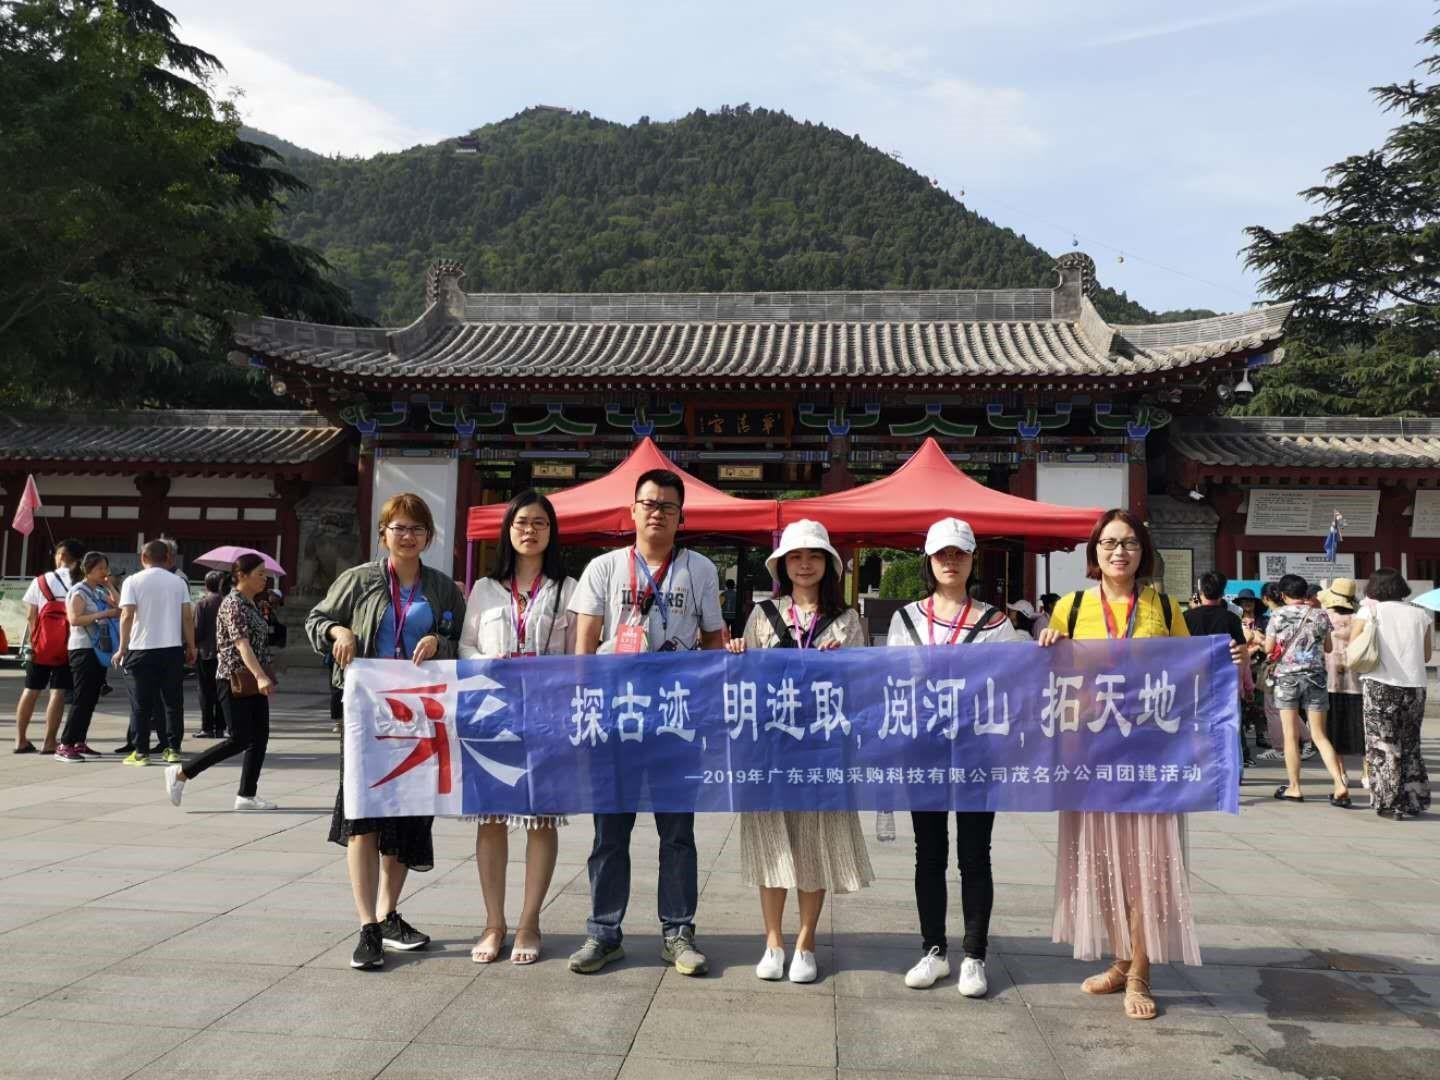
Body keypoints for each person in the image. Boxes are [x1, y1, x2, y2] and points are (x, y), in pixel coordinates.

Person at [1037, 509, 1202, 1021]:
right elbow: (1047, 677)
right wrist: (1046, 644)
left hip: (1148, 755)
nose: (1119, 552)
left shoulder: (1163, 606)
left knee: (1146, 867)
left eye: (1129, 543)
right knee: (1103, 863)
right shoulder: (1071, 607)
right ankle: (1119, 959)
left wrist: (1228, 662)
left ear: (1142, 551)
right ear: (1094, 552)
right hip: (1090, 754)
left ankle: (1139, 974)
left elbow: (1191, 668)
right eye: (1108, 543)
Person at [566, 468, 726, 976]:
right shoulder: (604, 568)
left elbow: (714, 640)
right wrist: (585, 714)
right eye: (649, 504)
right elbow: (584, 648)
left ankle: (678, 932)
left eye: (667, 506)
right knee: (609, 833)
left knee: (677, 832)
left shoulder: (699, 569)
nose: (657, 512)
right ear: (632, 511)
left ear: (681, 517)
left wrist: (707, 707)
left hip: (676, 721)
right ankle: (603, 933)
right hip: (616, 719)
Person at [306, 492, 467, 971]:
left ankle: (388, 912)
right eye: (399, 527)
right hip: (366, 715)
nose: (408, 536)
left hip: (420, 716)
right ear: (383, 534)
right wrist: (339, 633)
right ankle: (367, 927)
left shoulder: (442, 588)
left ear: (429, 537)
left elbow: (462, 640)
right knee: (364, 814)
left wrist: (439, 641)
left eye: (417, 528)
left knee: (409, 815)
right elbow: (318, 618)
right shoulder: (358, 580)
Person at [726, 519, 873, 984]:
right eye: (795, 556)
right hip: (771, 747)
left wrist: (839, 667)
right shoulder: (763, 615)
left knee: (815, 844)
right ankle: (773, 941)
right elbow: (744, 681)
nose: (804, 564)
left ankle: (806, 942)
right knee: (771, 842)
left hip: (824, 748)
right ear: (783, 565)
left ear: (828, 563)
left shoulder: (848, 620)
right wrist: (736, 653)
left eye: (813, 556)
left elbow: (862, 684)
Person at [886, 517, 1022, 999]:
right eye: (942, 553)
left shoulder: (996, 622)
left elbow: (1013, 681)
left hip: (975, 750)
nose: (950, 561)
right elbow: (892, 681)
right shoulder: (906, 619)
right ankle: (934, 950)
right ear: (928, 559)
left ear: (972, 559)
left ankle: (975, 955)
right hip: (923, 750)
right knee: (928, 853)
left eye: (959, 553)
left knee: (974, 854)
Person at [459, 490, 576, 966]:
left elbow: (579, 654)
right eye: (522, 522)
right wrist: (490, 661)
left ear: (552, 532)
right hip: (493, 715)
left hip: (546, 717)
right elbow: (465, 647)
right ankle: (494, 922)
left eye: (540, 523)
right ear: (508, 530)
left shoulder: (569, 588)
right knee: (491, 819)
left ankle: (529, 922)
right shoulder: (485, 589)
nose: (530, 531)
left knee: (540, 820)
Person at [164, 554, 278, 811]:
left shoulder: (252, 604)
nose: (265, 579)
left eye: (265, 574)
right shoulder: (233, 604)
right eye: (260, 574)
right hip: (234, 679)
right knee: (239, 739)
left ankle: (247, 795)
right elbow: (242, 644)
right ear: (241, 576)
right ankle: (182, 772)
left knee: (259, 738)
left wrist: (265, 673)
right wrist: (260, 675)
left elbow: (259, 645)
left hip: (253, 679)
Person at [1264, 574, 1350, 807]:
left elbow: (1269, 648)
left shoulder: (1277, 615)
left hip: (1287, 679)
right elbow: (1328, 647)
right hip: (1316, 679)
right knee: (1319, 735)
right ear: (1305, 594)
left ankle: (1295, 787)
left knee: (1290, 735)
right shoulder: (1320, 614)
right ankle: (1339, 783)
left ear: (1283, 595)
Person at [1354, 568, 1433, 820]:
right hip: (1415, 686)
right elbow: (1426, 655)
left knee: (1383, 744)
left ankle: (1388, 802)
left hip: (1380, 684)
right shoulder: (1421, 614)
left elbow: (1355, 646)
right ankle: (1413, 799)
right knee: (1410, 742)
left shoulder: (1369, 612)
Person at [113, 540, 195, 767]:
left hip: (140, 649)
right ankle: (173, 749)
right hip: (171, 649)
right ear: (168, 557)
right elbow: (187, 617)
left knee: (141, 703)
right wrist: (192, 646)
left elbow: (126, 615)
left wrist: (122, 648)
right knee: (173, 702)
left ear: (143, 557)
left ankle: (141, 752)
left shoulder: (132, 581)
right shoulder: (178, 582)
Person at [14, 538, 85, 754]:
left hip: (41, 646)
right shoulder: (80, 582)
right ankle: (49, 741)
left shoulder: (41, 581)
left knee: (31, 689)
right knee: (58, 692)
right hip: (69, 645)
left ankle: (20, 740)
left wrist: (34, 642)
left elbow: (31, 616)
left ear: (61, 556)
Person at [53, 552, 120, 762]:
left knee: (91, 698)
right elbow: (74, 619)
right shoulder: (79, 591)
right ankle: (65, 744)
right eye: (100, 568)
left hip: (98, 649)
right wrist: (103, 614)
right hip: (83, 649)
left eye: (105, 568)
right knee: (82, 697)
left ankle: (79, 741)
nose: (104, 572)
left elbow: (119, 607)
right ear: (87, 569)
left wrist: (110, 586)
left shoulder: (98, 591)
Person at [1183, 571, 1251, 768]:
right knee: (1229, 726)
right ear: (1223, 592)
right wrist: (1243, 682)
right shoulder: (1231, 618)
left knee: (1197, 725)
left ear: (1200, 591)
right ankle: (1233, 771)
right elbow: (1242, 652)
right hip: (1225, 680)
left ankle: (1199, 766)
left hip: (1194, 680)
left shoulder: (1186, 617)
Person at [1318, 579, 1365, 771]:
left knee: (1334, 729)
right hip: (1357, 680)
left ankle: (1341, 771)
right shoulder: (1360, 618)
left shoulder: (1325, 617)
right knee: (1362, 728)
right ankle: (1367, 772)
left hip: (1331, 679)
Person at [193, 571, 226, 738]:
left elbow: (197, 631)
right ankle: (220, 727)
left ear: (206, 585)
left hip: (206, 653)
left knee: (205, 691)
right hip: (224, 653)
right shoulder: (227, 602)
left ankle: (207, 727)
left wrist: (191, 644)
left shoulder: (203, 604)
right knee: (221, 691)